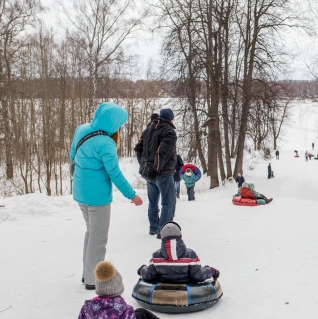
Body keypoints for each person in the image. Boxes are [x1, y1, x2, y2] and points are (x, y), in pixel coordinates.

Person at [70, 102, 143, 290]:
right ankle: (93, 280)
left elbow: (72, 156)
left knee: (90, 232)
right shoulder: (106, 143)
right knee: (98, 237)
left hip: (80, 190)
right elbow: (114, 173)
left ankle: (87, 274)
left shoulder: (82, 129)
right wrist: (132, 195)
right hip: (97, 197)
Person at [73, 261, 186, 319]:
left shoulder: (86, 308)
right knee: (142, 313)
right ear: (119, 288)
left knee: (139, 314)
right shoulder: (126, 311)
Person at [135, 108, 177, 238]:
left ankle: (153, 228)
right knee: (168, 203)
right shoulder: (169, 132)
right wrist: (155, 169)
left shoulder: (148, 129)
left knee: (153, 202)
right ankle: (163, 231)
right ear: (171, 119)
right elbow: (161, 153)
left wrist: (144, 166)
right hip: (162, 173)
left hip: (149, 173)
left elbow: (138, 149)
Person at [137, 222, 220, 284]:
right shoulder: (190, 255)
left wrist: (142, 269)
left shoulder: (156, 257)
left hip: (164, 289)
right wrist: (211, 271)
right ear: (180, 235)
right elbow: (198, 276)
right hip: (186, 290)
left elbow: (150, 276)